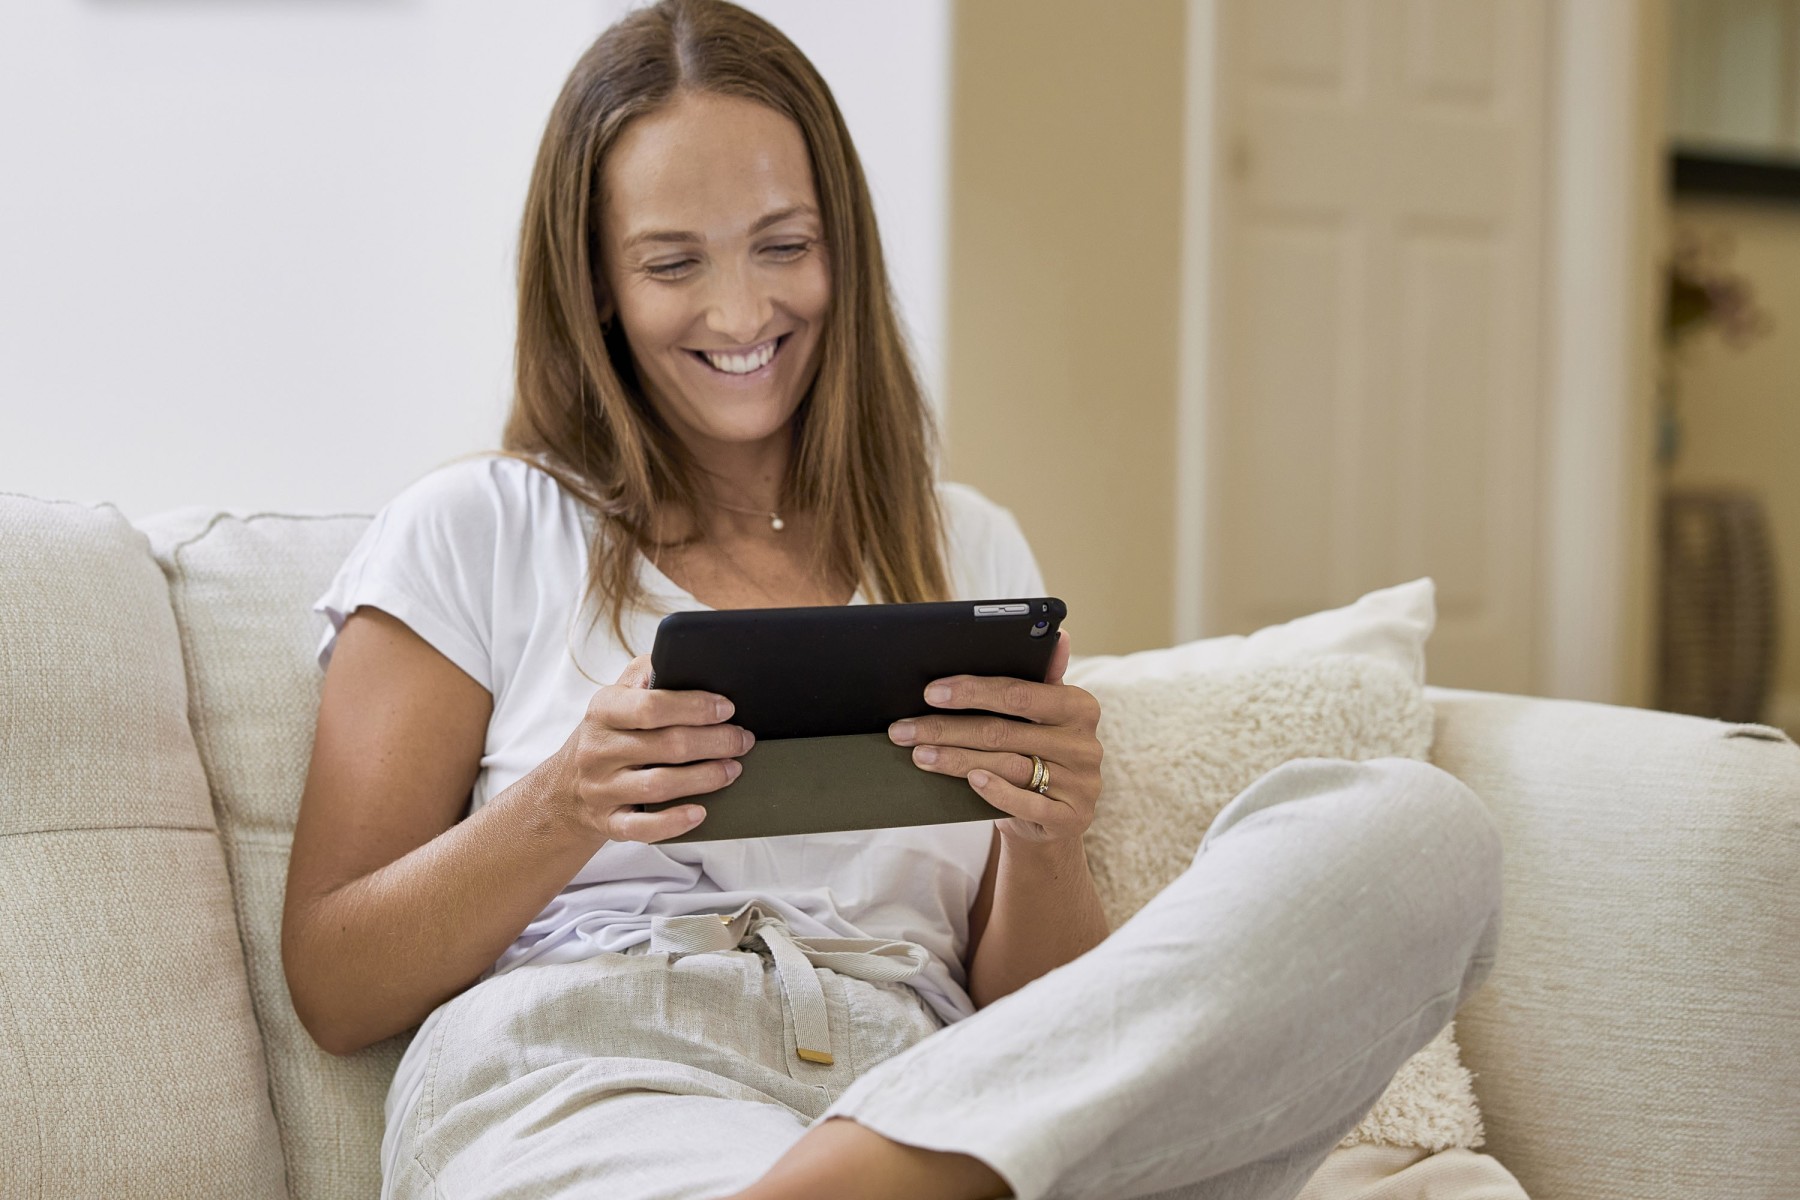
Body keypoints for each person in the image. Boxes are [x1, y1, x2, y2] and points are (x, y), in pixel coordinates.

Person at [281, 3, 1503, 1198]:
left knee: (1418, 837)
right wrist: (566, 800)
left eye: (784, 245)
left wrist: (1047, 836)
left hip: (928, 1089)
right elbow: (335, 985)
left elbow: (1044, 1030)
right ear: (595, 284)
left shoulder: (966, 547)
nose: (743, 313)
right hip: (595, 1082)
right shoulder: (477, 528)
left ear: (841, 246)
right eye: (671, 264)